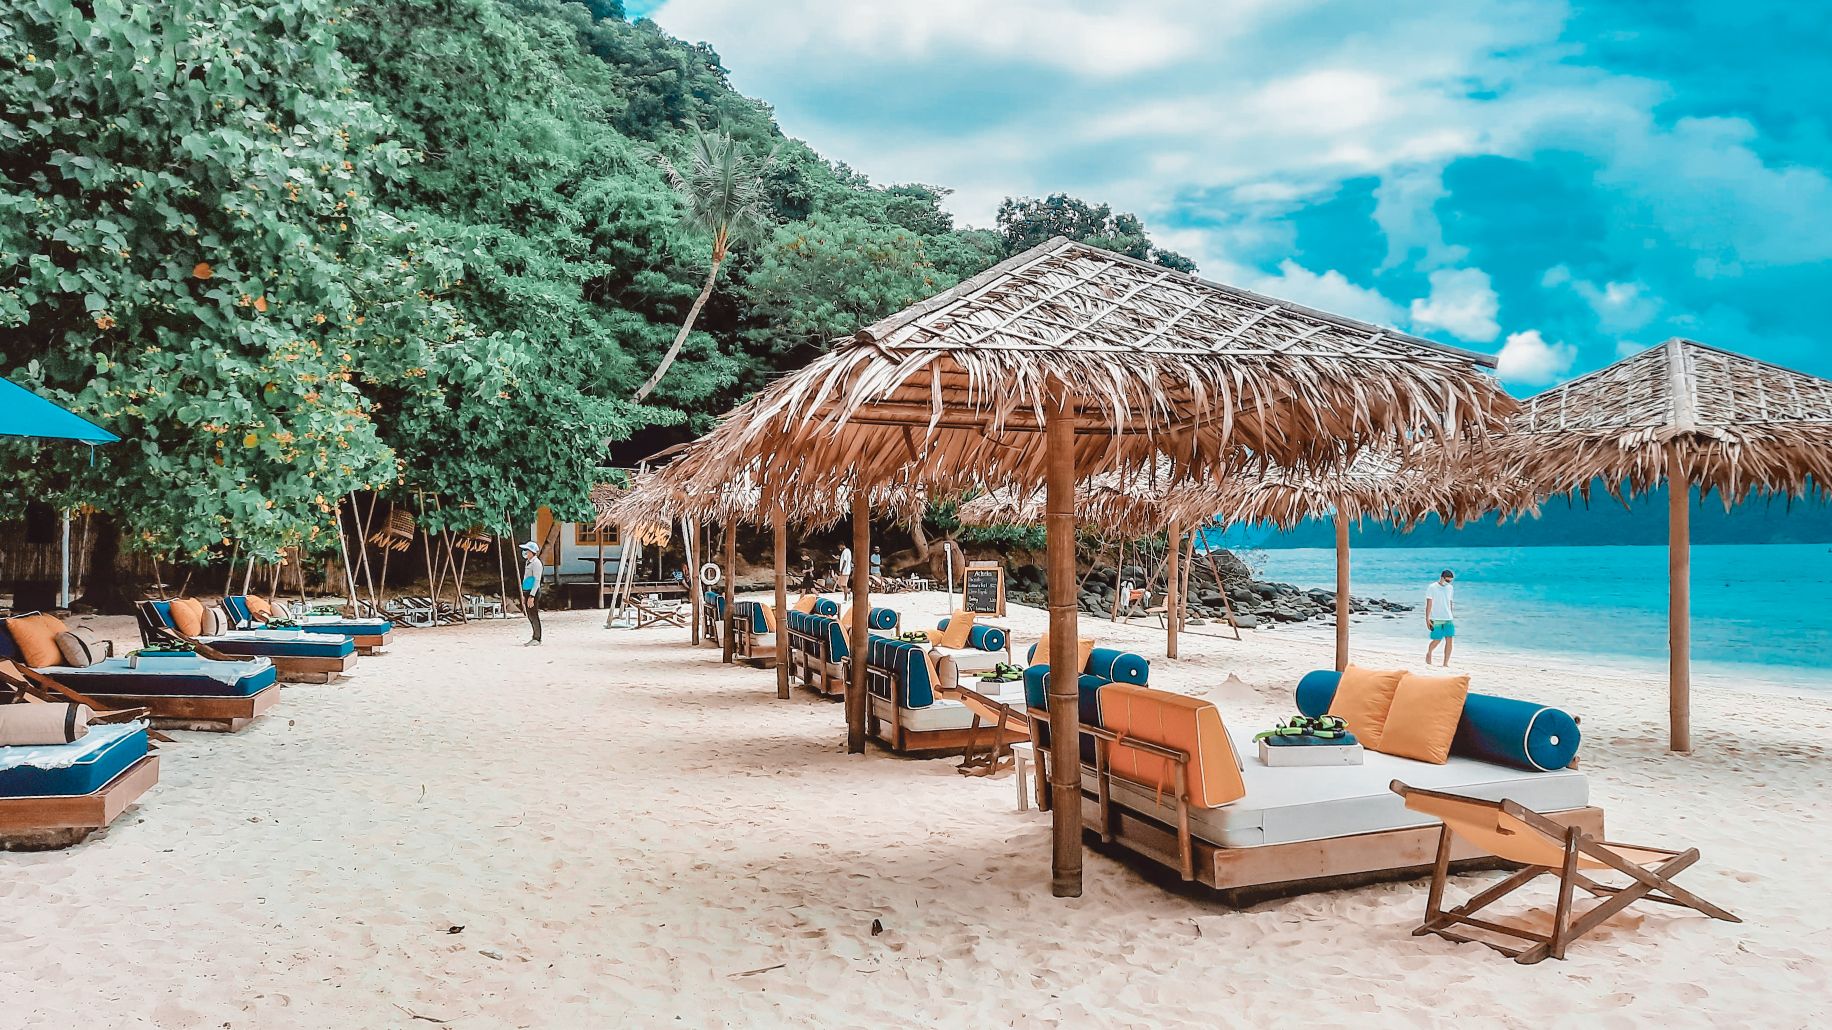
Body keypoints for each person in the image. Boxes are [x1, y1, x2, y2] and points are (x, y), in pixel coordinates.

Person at [1424, 568, 1455, 666]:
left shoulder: (1450, 588)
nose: (1448, 582)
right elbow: (1429, 603)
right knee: (1437, 640)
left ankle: (1445, 663)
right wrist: (1427, 619)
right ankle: (1429, 653)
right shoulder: (1432, 587)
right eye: (1447, 580)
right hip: (1436, 618)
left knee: (1449, 640)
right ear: (1442, 577)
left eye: (1450, 581)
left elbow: (1450, 602)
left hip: (1448, 618)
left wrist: (1451, 614)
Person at [519, 540, 544, 646]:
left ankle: (537, 638)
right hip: (527, 591)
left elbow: (537, 580)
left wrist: (532, 596)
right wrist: (524, 594)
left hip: (532, 592)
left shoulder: (536, 563)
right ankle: (535, 636)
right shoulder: (528, 562)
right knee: (530, 615)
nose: (525, 552)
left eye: (527, 550)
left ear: (532, 552)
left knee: (533, 614)